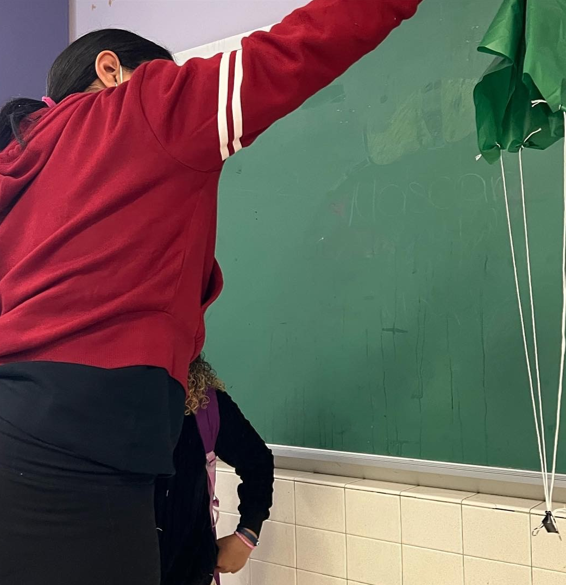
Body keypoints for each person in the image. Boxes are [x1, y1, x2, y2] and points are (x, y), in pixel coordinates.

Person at [0, 1, 424, 584]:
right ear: (110, 70)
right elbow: (292, 52)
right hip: (80, 445)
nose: (173, 82)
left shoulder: (22, 158)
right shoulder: (143, 106)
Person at [156, 355, 274, 585]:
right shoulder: (98, 399)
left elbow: (257, 461)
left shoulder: (204, 404)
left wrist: (247, 534)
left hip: (189, 569)